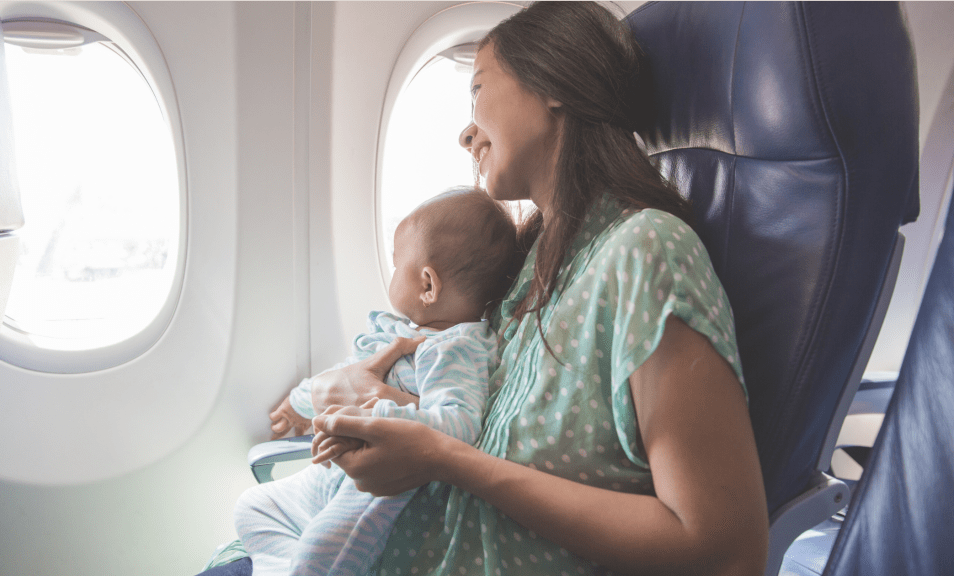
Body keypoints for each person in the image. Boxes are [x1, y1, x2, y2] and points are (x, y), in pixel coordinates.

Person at [306, 3, 770, 575]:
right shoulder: (533, 263)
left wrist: (445, 460)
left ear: (552, 85)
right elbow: (483, 425)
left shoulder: (647, 252)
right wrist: (375, 401)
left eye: (478, 90)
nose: (466, 132)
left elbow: (723, 548)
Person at [234, 187, 525, 576]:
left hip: (377, 490)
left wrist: (382, 414)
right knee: (254, 506)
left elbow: (460, 422)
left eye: (396, 263)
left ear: (427, 285)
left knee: (316, 560)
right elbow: (351, 370)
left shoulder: (457, 349)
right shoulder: (402, 331)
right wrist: (301, 402)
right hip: (332, 475)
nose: (392, 271)